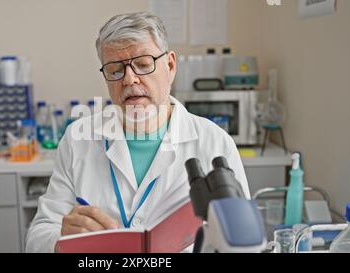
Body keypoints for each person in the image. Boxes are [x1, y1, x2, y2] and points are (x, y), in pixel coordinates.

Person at [25, 11, 250, 253]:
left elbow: (243, 238)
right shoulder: (77, 139)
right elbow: (38, 234)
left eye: (143, 64)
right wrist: (60, 242)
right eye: (115, 70)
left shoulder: (214, 142)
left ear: (170, 65)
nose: (129, 80)